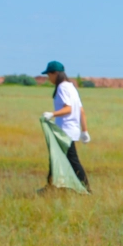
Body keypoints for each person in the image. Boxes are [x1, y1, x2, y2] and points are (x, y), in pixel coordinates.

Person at [41, 61, 90, 189]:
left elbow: (68, 109)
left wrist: (52, 114)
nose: (48, 78)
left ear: (55, 73)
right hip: (72, 131)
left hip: (64, 132)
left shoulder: (62, 87)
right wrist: (84, 131)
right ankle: (51, 187)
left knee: (68, 161)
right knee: (60, 159)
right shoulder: (71, 87)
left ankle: (86, 188)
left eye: (49, 75)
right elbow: (81, 110)